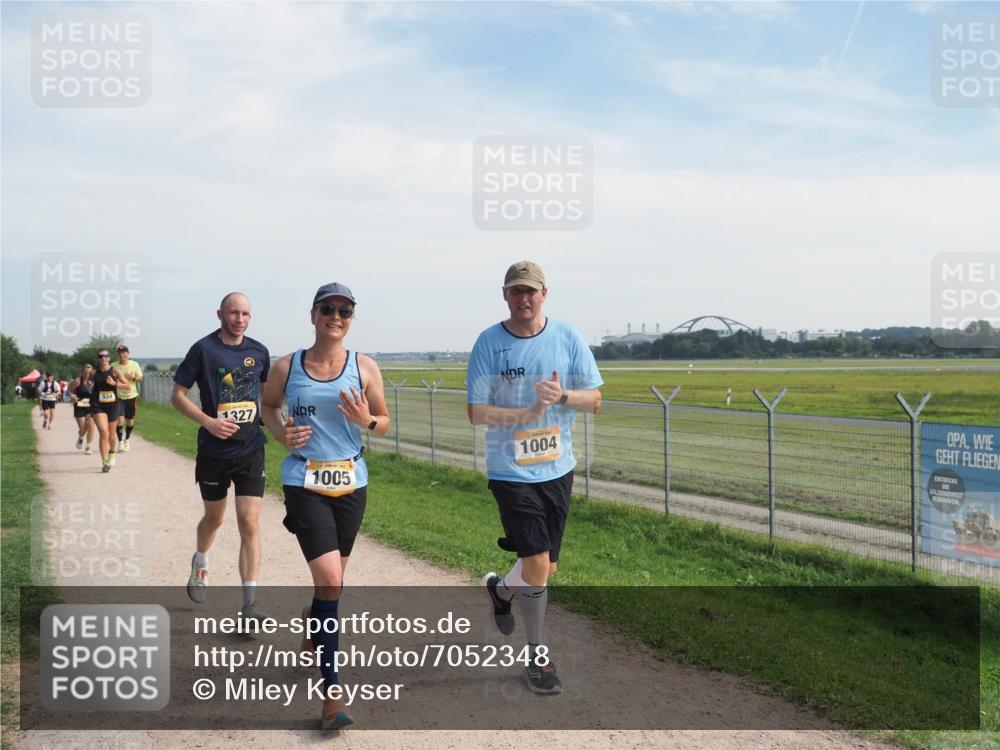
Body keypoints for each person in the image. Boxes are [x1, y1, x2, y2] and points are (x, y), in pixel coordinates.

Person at [467, 261, 603, 696]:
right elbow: (476, 411)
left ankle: (501, 590)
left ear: (545, 293)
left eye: (530, 291)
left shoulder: (568, 337)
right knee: (539, 566)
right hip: (510, 469)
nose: (523, 299)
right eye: (515, 292)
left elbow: (595, 400)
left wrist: (562, 395)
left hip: (557, 467)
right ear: (504, 296)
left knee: (544, 567)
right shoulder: (489, 343)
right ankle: (537, 658)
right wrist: (523, 414)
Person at [261, 282, 390, 730]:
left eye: (345, 310)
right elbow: (268, 406)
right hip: (304, 480)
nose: (337, 316)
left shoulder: (364, 366)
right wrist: (281, 434)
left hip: (351, 482)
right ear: (313, 314)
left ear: (351, 318)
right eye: (328, 308)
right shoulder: (287, 365)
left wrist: (366, 420)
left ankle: (313, 617)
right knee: (333, 581)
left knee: (332, 585)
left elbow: (383, 421)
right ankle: (332, 694)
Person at [171, 292, 270, 622]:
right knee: (214, 519)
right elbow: (178, 396)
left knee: (249, 522)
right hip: (214, 452)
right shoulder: (203, 349)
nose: (239, 319)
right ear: (220, 314)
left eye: (245, 314)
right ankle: (200, 560)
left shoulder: (259, 352)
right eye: (233, 313)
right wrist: (208, 422)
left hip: (251, 448)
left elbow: (268, 401)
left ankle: (250, 604)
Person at [91, 351, 128, 472]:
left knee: (112, 434)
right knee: (103, 432)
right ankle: (105, 462)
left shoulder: (115, 371)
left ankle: (112, 451)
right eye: (100, 356)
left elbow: (127, 386)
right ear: (98, 359)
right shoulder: (94, 373)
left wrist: (114, 383)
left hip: (113, 405)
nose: (103, 358)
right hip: (98, 405)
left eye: (105, 356)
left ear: (109, 358)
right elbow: (86, 384)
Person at [113, 344, 143, 452]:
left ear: (128, 353)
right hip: (118, 396)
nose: (122, 355)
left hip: (131, 396)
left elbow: (141, 378)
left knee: (130, 421)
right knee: (119, 421)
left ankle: (127, 439)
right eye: (120, 353)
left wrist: (133, 377)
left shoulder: (134, 364)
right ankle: (120, 441)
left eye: (124, 352)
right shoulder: (114, 365)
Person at [69, 363, 97, 454]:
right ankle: (81, 436)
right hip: (79, 406)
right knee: (83, 428)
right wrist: (72, 396)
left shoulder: (94, 381)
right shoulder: (77, 381)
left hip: (91, 406)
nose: (87, 374)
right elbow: (69, 390)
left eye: (89, 372)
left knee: (90, 425)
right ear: (83, 372)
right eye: (85, 372)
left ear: (92, 372)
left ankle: (88, 446)